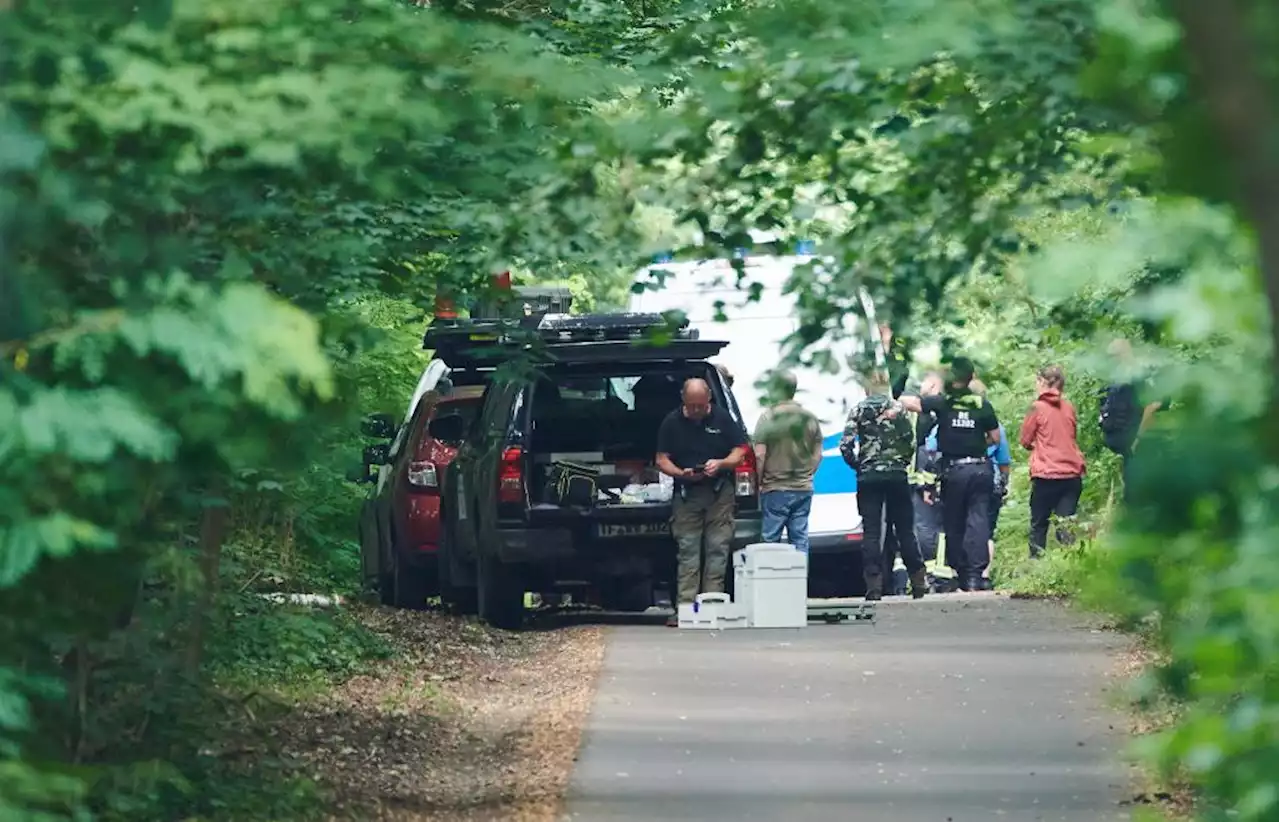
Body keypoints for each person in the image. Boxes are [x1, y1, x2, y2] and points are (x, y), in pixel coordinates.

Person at [898, 357, 1001, 592]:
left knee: (954, 522)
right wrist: (976, 443)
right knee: (979, 520)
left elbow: (913, 404)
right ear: (971, 377)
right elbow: (995, 438)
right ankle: (975, 576)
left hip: (954, 470)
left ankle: (961, 571)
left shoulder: (943, 402)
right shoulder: (981, 404)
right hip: (980, 468)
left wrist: (892, 398)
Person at [656, 378, 749, 626]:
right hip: (687, 495)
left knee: (717, 549)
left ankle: (711, 607)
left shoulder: (722, 419)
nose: (697, 411)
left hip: (720, 493)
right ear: (683, 400)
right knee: (688, 552)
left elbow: (740, 451)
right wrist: (679, 473)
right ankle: (686, 609)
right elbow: (661, 459)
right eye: (692, 406)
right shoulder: (671, 422)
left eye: (701, 405)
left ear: (709, 399)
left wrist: (721, 464)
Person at [840, 371, 929, 601]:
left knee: (871, 532)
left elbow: (846, 446)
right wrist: (901, 462)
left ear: (867, 388)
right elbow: (910, 441)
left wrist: (859, 466)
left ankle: (874, 587)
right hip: (896, 476)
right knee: (905, 529)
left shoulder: (858, 410)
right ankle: (918, 582)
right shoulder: (898, 409)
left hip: (868, 477)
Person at [1019, 365, 1086, 557]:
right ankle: (1070, 567)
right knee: (1065, 524)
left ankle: (1036, 569)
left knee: (1039, 524)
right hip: (1071, 474)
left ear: (1042, 382)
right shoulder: (1070, 407)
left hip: (1046, 475)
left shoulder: (1037, 407)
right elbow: (1070, 436)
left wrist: (1039, 447)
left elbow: (1025, 440)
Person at [753, 371, 823, 554]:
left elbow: (760, 455)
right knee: (800, 540)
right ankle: (798, 581)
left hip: (775, 488)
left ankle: (770, 581)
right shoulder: (810, 417)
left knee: (770, 541)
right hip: (803, 488)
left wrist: (758, 482)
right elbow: (818, 454)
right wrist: (807, 474)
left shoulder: (768, 418)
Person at [1099, 339, 1165, 502]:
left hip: (1140, 445)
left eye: (1113, 356)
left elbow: (1153, 405)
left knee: (1139, 494)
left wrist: (1138, 439)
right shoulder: (1120, 377)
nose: (1111, 360)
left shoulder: (1138, 375)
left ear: (1124, 353)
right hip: (1128, 448)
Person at [968, 378, 1009, 590]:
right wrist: (1003, 484)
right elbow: (1004, 461)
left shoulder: (957, 421)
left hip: (961, 476)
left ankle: (967, 573)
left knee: (965, 526)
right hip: (989, 480)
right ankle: (984, 574)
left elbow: (932, 445)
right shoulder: (997, 427)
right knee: (986, 528)